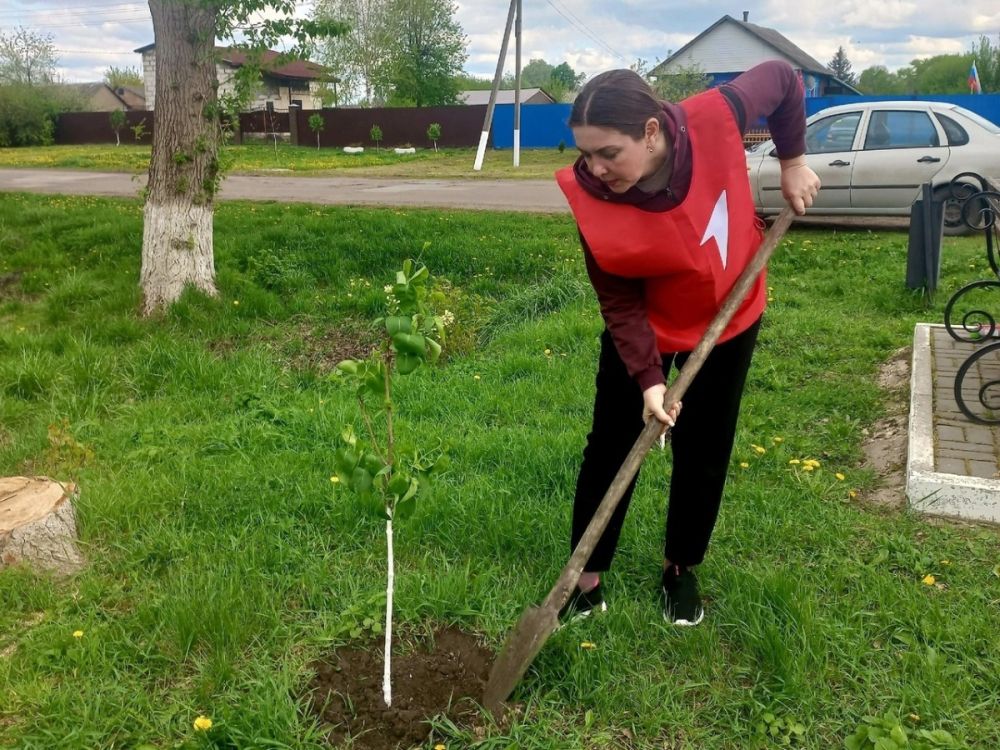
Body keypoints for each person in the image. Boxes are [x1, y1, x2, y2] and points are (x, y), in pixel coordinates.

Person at [556, 61, 820, 626]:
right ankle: (587, 574)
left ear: (651, 132)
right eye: (585, 154)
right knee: (610, 444)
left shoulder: (715, 117)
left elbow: (782, 79)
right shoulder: (592, 198)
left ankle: (680, 568)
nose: (595, 169)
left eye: (609, 153)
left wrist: (792, 161)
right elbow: (619, 301)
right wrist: (650, 380)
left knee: (705, 446)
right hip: (648, 325)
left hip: (730, 314)